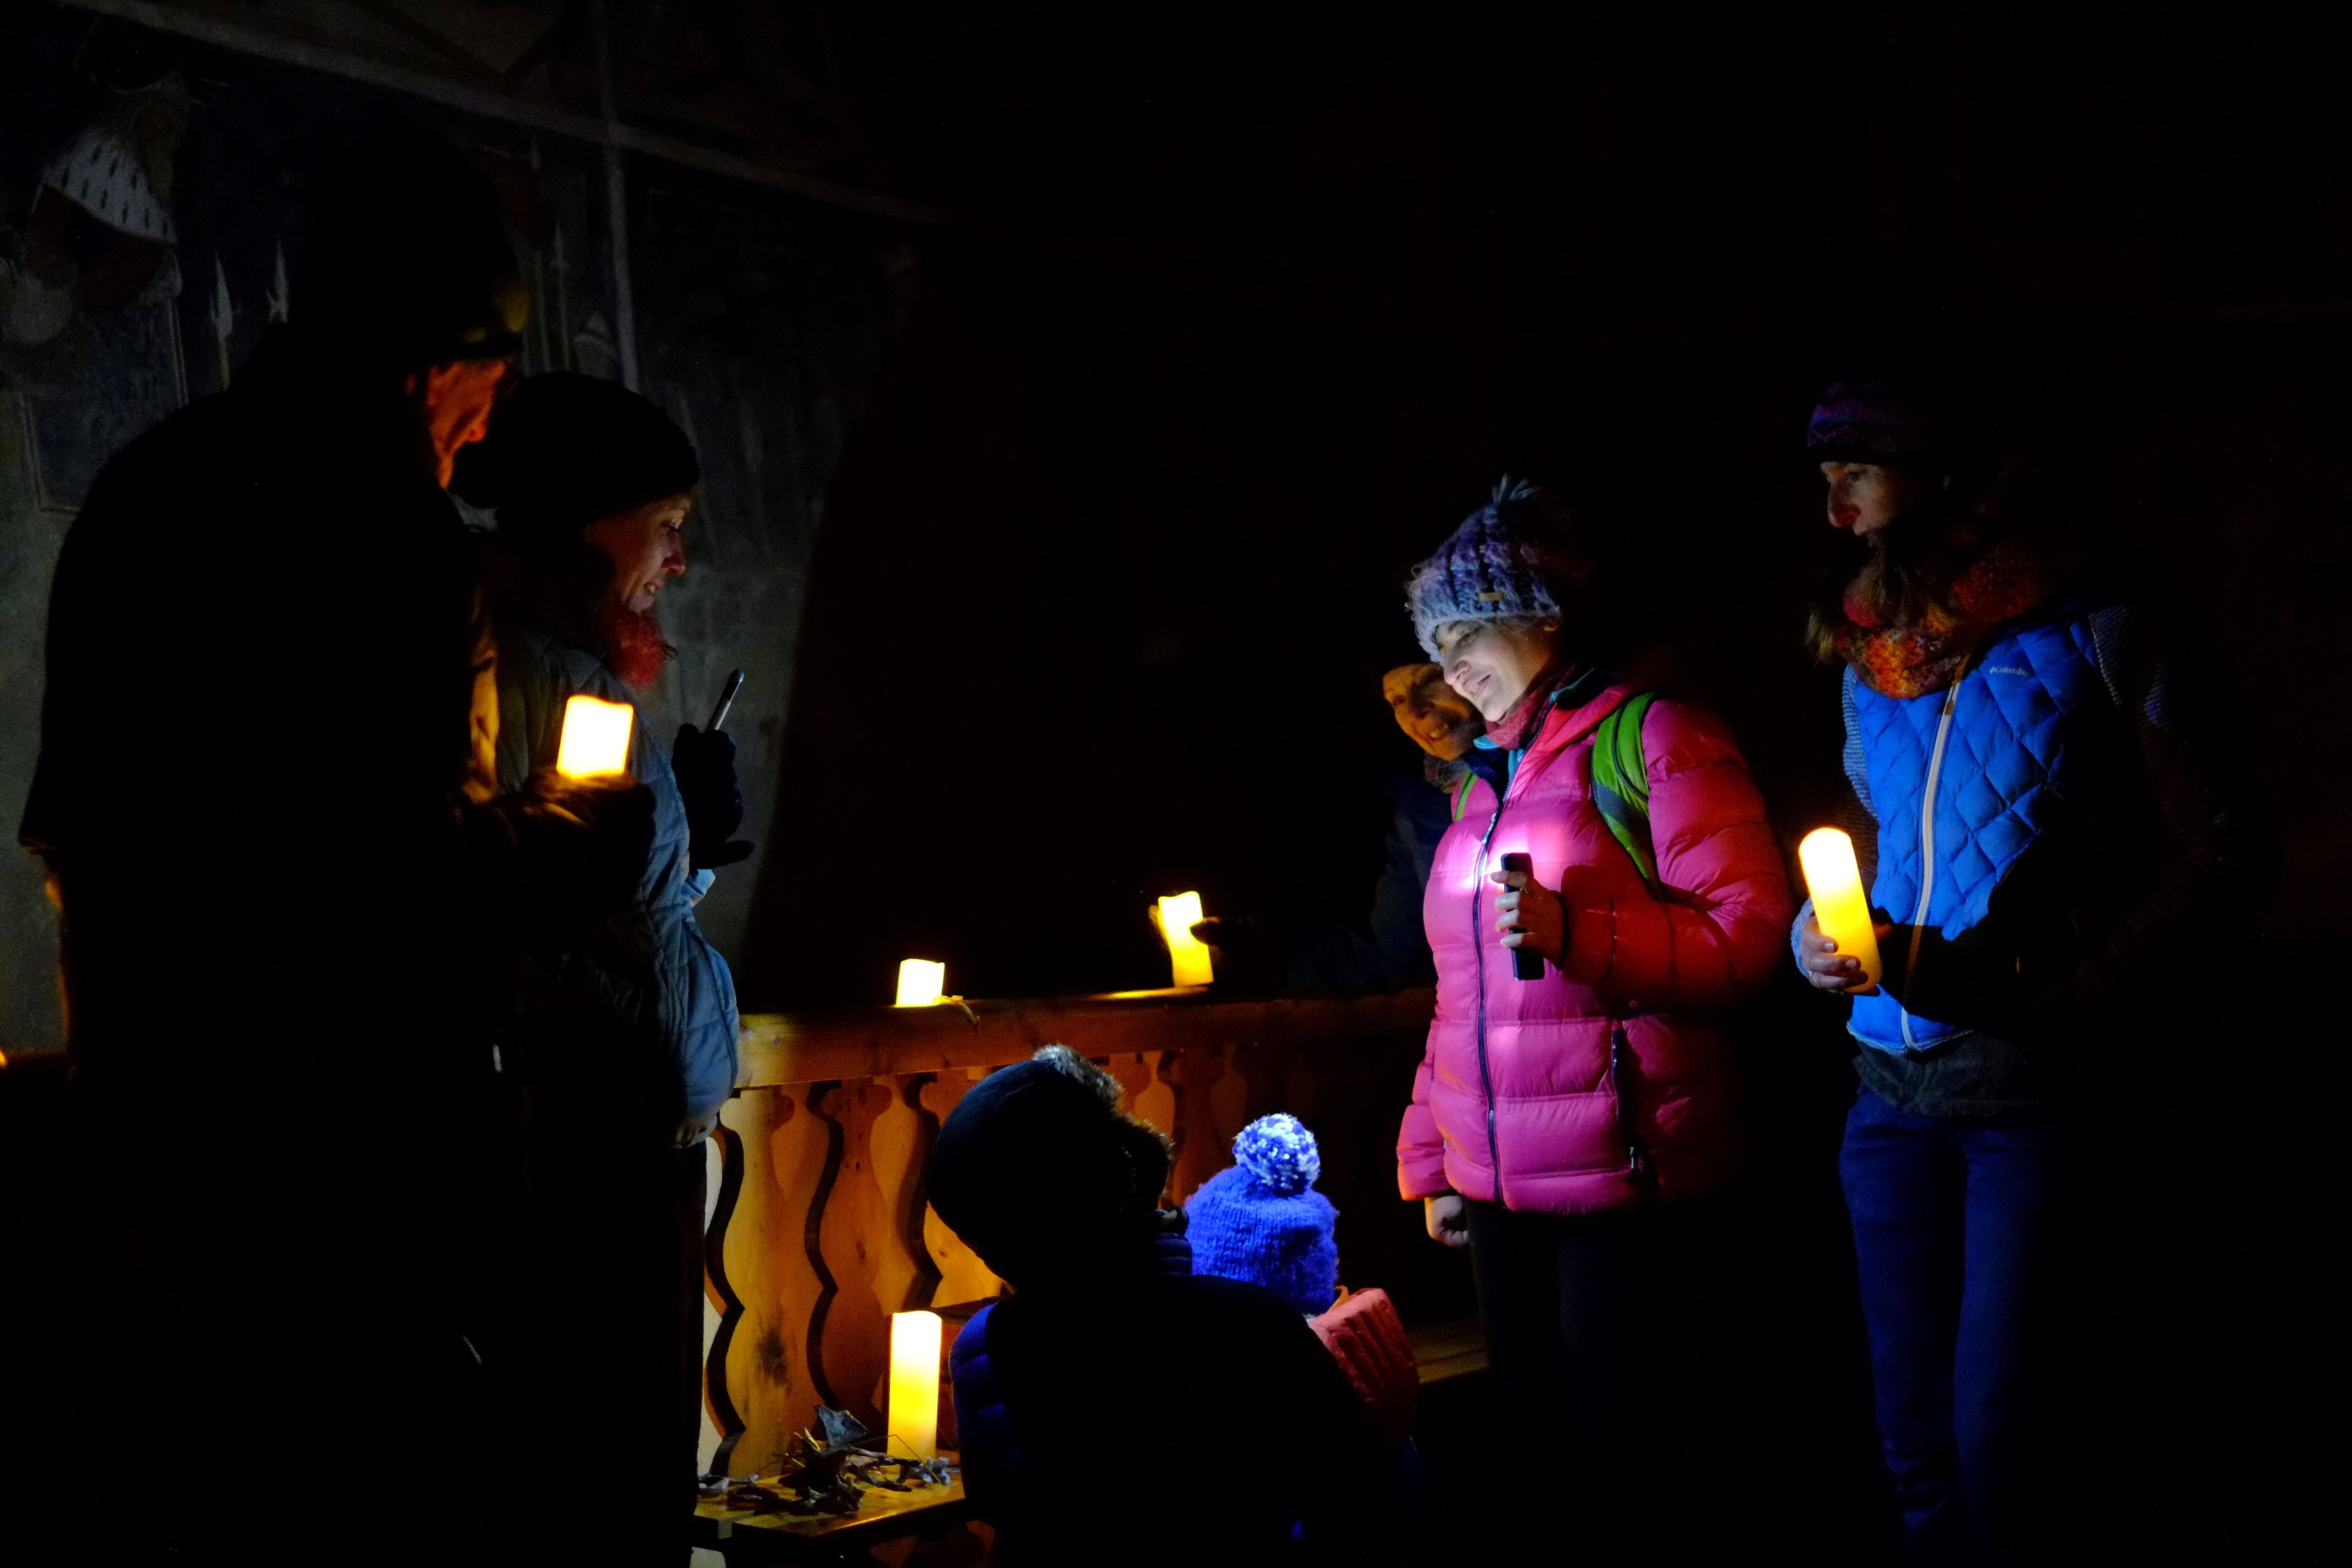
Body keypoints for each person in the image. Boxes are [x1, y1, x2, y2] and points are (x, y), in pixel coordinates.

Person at [7, 133, 650, 1562]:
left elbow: (87, 837)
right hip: (343, 1203)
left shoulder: (148, 494)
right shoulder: (379, 537)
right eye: (486, 387)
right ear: (433, 357)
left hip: (152, 1168)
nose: (485, 434)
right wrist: (569, 838)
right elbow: (376, 888)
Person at [1792, 380, 2245, 1561]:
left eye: (1860, 460)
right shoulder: (1868, 650)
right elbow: (1893, 833)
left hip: (2031, 1097)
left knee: (2005, 1422)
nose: (1830, 490)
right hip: (1887, 1091)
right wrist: (1816, 928)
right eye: (1822, 467)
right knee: (1905, 1418)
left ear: (1941, 467)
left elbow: (2214, 843)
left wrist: (2074, 998)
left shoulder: (2102, 622)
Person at [1393, 478, 1792, 1542]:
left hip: (1627, 1181)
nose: (1448, 668)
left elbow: (1753, 941)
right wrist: (1435, 1153)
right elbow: (1459, 995)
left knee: (1627, 1466)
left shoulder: (1658, 737)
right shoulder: (1480, 789)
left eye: (1465, 631)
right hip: (1500, 1194)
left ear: (1541, 613)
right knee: (1531, 1461)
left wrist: (1581, 932)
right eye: (1435, 644)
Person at [452, 372, 747, 1563]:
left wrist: (696, 853)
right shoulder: (527, 672)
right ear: (591, 523)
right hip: (584, 1152)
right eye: (665, 525)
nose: (675, 561)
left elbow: (621, 903)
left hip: (628, 1134)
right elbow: (523, 913)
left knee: (626, 1484)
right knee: (604, 1495)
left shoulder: (573, 668)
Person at [933, 1049, 1386, 1566]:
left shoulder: (984, 1344)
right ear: (1124, 1171)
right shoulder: (1250, 1322)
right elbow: (1354, 1501)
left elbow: (999, 1505)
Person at [1192, 662, 1482, 995]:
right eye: (1397, 700)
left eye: (1430, 681)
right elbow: (1389, 954)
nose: (1415, 711)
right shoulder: (1421, 807)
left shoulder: (1540, 769)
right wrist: (1264, 959)